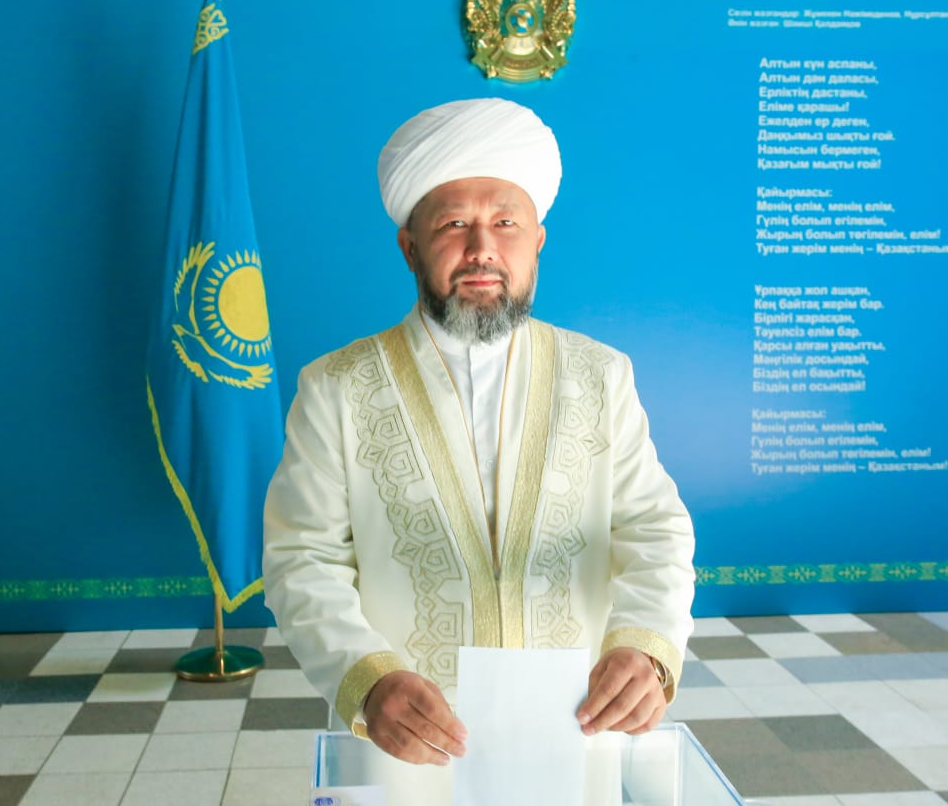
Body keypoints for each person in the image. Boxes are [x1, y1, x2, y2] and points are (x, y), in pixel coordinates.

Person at [262, 97, 695, 767]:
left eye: (505, 222)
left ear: (537, 241)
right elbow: (301, 557)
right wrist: (367, 680)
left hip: (571, 730)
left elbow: (654, 528)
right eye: (454, 223)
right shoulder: (336, 388)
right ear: (409, 247)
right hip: (404, 738)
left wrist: (646, 646)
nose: (482, 248)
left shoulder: (601, 376)